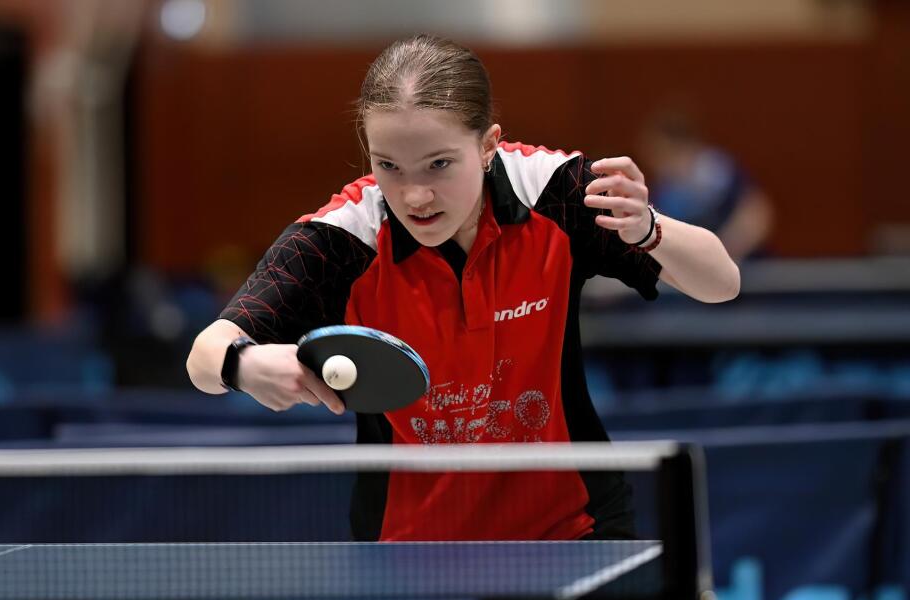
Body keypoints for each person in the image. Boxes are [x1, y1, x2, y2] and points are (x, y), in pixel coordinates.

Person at [187, 34, 740, 542]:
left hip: (574, 529)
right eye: (390, 166)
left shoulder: (557, 192)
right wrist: (243, 366)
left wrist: (648, 230)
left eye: (439, 164)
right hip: (408, 549)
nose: (415, 196)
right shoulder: (340, 242)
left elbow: (721, 283)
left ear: (487, 145)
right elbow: (204, 356)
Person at [638, 106, 774, 262]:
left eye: (659, 153)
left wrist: (726, 251)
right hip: (700, 275)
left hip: (746, 270)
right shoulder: (663, 190)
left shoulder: (721, 172)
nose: (655, 164)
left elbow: (756, 215)